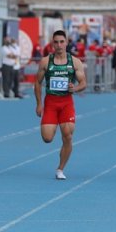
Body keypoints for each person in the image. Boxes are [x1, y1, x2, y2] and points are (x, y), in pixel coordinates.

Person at [34, 30, 87, 180]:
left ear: (66, 42)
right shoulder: (46, 61)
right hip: (51, 103)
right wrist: (39, 104)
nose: (59, 45)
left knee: (68, 136)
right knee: (47, 138)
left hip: (66, 103)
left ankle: (60, 168)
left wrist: (74, 88)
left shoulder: (75, 62)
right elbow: (37, 83)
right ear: (52, 44)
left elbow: (83, 83)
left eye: (62, 42)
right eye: (56, 42)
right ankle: (53, 125)